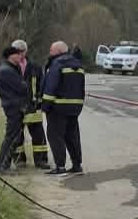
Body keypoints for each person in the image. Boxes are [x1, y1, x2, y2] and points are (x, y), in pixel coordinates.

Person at [41, 40, 86, 176]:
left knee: (55, 136)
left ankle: (60, 166)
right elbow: (81, 88)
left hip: (57, 107)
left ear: (59, 52)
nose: (49, 53)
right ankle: (77, 165)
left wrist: (45, 106)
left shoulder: (57, 64)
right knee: (72, 136)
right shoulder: (78, 65)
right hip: (75, 108)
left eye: (51, 50)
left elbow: (51, 87)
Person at [9, 38, 49, 169]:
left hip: (32, 106)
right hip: (14, 107)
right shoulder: (7, 67)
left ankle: (41, 160)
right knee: (17, 136)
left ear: (25, 52)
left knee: (38, 135)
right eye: (16, 51)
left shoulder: (35, 67)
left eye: (21, 51)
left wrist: (39, 101)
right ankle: (19, 160)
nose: (19, 54)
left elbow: (41, 85)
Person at [0, 44, 29, 172]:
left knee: (14, 136)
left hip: (12, 104)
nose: (20, 56)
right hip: (14, 107)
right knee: (11, 137)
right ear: (10, 56)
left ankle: (4, 165)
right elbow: (23, 87)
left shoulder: (8, 68)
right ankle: (2, 166)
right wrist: (11, 94)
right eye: (17, 54)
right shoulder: (7, 70)